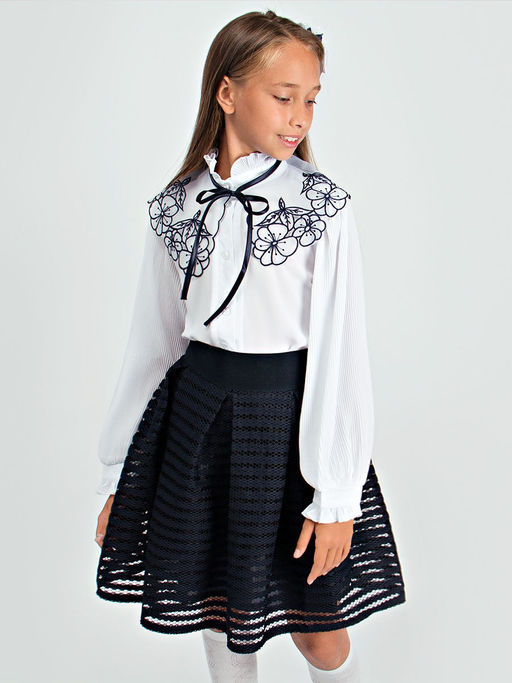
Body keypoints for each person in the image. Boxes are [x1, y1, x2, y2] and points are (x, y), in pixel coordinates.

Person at [94, 10, 406, 683]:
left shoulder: (321, 207)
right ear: (227, 92)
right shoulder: (177, 206)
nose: (300, 118)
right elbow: (153, 346)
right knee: (218, 612)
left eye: (311, 100)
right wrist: (121, 472)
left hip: (288, 428)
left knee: (318, 630)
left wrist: (336, 494)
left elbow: (341, 357)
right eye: (284, 96)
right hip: (197, 424)